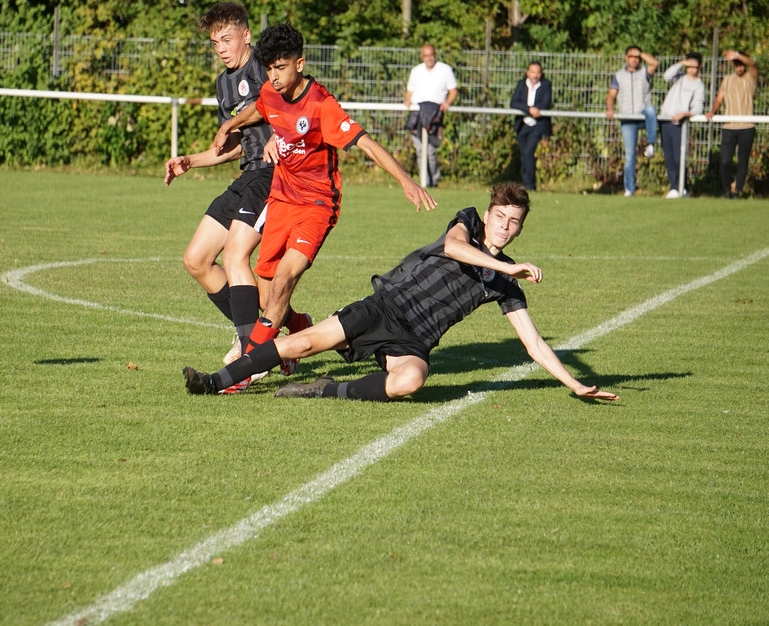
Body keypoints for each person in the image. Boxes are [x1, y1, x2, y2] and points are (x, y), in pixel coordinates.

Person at [183, 182, 619, 403]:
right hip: (385, 306)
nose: (506, 227)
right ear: (487, 214)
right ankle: (215, 382)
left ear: (521, 226)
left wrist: (575, 384)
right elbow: (453, 248)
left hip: (413, 340)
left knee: (410, 380)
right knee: (302, 342)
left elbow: (534, 343)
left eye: (514, 222)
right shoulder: (467, 223)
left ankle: (325, 390)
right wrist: (508, 264)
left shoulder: (505, 281)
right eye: (501, 217)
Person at [209, 22, 436, 392]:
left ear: (300, 63)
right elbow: (258, 110)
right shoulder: (270, 91)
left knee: (283, 280)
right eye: (268, 69)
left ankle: (244, 371)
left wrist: (405, 180)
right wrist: (229, 125)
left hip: (316, 204)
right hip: (281, 199)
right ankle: (297, 327)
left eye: (280, 68)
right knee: (268, 294)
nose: (273, 77)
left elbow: (366, 144)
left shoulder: (321, 106)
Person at [163, 2, 278, 365]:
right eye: (215, 43)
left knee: (234, 256)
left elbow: (274, 105)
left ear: (246, 35)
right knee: (196, 259)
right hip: (247, 174)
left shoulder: (265, 65)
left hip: (274, 176)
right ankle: (260, 333)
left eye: (227, 39)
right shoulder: (223, 84)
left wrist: (236, 125)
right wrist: (191, 161)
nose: (222, 49)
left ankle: (252, 353)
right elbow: (232, 145)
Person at [606, 46, 659, 197]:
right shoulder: (619, 75)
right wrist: (610, 108)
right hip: (628, 117)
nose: (634, 59)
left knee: (651, 110)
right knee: (630, 156)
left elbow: (654, 63)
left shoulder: (644, 73)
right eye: (631, 56)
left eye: (637, 57)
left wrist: (642, 53)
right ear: (626, 58)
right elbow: (611, 95)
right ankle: (629, 188)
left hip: (643, 115)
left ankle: (650, 143)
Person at [706, 50, 759, 198]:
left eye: (741, 65)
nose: (739, 68)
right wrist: (712, 111)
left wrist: (737, 54)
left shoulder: (750, 78)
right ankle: (726, 190)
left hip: (746, 126)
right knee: (725, 161)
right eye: (736, 65)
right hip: (729, 126)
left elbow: (753, 64)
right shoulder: (727, 80)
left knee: (743, 161)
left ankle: (737, 191)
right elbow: (719, 99)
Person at [404, 44, 458, 188]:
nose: (429, 58)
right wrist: (407, 101)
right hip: (417, 114)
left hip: (434, 115)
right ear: (422, 57)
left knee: (430, 151)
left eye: (431, 55)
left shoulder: (445, 70)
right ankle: (424, 182)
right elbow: (409, 92)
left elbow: (453, 91)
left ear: (435, 54)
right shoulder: (416, 71)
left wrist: (447, 103)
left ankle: (433, 181)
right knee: (420, 150)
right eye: (426, 56)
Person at [658, 53, 705, 199]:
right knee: (669, 156)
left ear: (699, 67)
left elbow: (698, 106)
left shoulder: (698, 85)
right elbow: (667, 75)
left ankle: (682, 187)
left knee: (679, 157)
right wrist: (681, 63)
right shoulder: (679, 78)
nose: (691, 69)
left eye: (694, 67)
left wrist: (685, 114)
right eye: (689, 66)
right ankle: (674, 187)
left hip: (679, 124)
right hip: (666, 120)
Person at [509, 61, 553, 191]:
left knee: (528, 152)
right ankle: (525, 183)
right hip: (522, 125)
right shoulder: (521, 85)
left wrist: (537, 109)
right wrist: (529, 109)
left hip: (537, 125)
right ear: (527, 73)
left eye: (538, 72)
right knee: (524, 155)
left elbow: (546, 103)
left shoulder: (546, 85)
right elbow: (514, 103)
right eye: (533, 72)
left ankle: (529, 186)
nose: (535, 75)